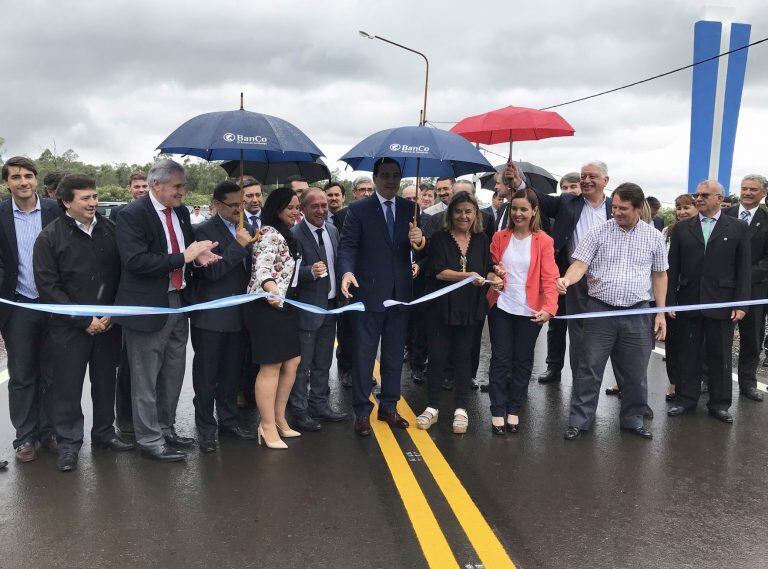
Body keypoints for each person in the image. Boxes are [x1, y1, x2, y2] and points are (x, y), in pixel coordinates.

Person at [115, 159, 219, 462]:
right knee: (145, 378)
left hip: (178, 302)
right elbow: (136, 261)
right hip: (148, 306)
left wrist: (199, 257)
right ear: (155, 185)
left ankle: (166, 427)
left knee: (173, 373)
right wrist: (183, 257)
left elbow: (186, 252)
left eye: (184, 185)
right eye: (177, 186)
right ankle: (149, 439)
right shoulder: (131, 215)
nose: (183, 191)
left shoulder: (182, 212)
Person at [33, 174, 133, 472]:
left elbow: (122, 276)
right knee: (67, 386)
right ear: (66, 202)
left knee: (104, 383)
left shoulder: (111, 230)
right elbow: (48, 286)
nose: (93, 202)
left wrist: (110, 314)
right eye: (85, 198)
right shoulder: (50, 237)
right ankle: (68, 443)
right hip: (68, 329)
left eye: (94, 196)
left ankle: (104, 434)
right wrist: (82, 320)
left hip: (107, 326)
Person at [558, 183, 667, 440]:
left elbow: (660, 275)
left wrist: (660, 313)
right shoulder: (597, 232)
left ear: (639, 208)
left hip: (637, 313)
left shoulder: (654, 237)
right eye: (615, 206)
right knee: (589, 369)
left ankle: (633, 419)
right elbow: (580, 265)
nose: (616, 212)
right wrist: (567, 279)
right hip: (600, 312)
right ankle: (579, 421)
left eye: (623, 209)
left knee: (635, 372)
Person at [338, 158, 425, 436]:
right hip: (368, 294)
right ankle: (362, 412)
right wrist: (346, 272)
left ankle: (389, 406)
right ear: (375, 178)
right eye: (385, 175)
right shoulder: (359, 210)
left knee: (392, 355)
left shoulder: (410, 209)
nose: (391, 180)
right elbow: (348, 246)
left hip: (399, 295)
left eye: (396, 175)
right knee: (364, 356)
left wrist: (418, 242)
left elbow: (417, 249)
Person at [667, 179, 751, 423]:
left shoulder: (737, 228)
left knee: (720, 355)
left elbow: (743, 270)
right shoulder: (682, 228)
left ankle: (720, 403)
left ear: (719, 198)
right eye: (697, 195)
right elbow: (673, 269)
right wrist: (671, 301)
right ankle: (686, 399)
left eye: (704, 195)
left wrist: (741, 304)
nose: (699, 199)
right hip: (689, 301)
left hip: (722, 303)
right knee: (688, 353)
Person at [416, 192, 499, 433]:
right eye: (458, 211)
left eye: (468, 211)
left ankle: (461, 408)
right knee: (438, 355)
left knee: (463, 357)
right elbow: (439, 271)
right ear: (450, 213)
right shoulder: (440, 238)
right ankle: (432, 406)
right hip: (441, 306)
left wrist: (495, 277)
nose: (463, 216)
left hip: (470, 307)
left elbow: (486, 270)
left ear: (475, 214)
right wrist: (468, 276)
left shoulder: (483, 239)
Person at [0, 156, 61, 463]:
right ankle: (25, 437)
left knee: (52, 372)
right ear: (7, 182)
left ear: (36, 179)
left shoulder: (54, 210)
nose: (22, 181)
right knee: (23, 375)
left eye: (27, 176)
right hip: (18, 306)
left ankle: (49, 432)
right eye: (15, 177)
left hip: (53, 305)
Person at [484, 189, 558, 434]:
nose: (518, 213)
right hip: (502, 307)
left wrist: (549, 308)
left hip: (530, 311)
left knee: (523, 362)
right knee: (501, 359)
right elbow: (490, 269)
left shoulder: (544, 241)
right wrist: (495, 275)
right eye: (514, 208)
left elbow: (550, 278)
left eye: (523, 209)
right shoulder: (499, 237)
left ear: (534, 211)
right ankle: (497, 410)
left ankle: (514, 409)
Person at [531, 161, 612, 385]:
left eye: (591, 176)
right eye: (583, 176)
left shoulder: (614, 208)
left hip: (606, 282)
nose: (586, 180)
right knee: (563, 326)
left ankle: (610, 384)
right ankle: (562, 373)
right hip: (569, 277)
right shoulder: (568, 202)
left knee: (602, 333)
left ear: (606, 181)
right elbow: (541, 199)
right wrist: (517, 180)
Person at [190, 181, 256, 453]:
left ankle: (228, 422)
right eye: (233, 205)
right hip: (211, 317)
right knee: (207, 377)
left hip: (240, 316)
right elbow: (212, 272)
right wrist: (238, 246)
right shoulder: (202, 232)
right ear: (216, 204)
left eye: (241, 204)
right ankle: (206, 428)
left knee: (231, 374)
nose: (239, 210)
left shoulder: (248, 230)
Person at [244, 187, 303, 449]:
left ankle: (279, 418)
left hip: (285, 305)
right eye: (290, 207)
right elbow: (262, 268)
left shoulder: (287, 233)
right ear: (277, 208)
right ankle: (266, 425)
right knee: (271, 366)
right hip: (266, 306)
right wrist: (272, 290)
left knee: (292, 361)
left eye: (297, 206)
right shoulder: (268, 233)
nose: (295, 211)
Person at [288, 188, 348, 431]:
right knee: (302, 366)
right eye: (316, 206)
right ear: (303, 208)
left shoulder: (333, 230)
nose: (322, 210)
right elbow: (287, 272)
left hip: (331, 308)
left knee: (323, 361)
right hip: (306, 310)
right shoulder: (294, 235)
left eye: (325, 205)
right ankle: (300, 411)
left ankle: (319, 405)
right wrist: (308, 272)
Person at [110, 170, 148, 435]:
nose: (141, 189)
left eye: (145, 185)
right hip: (128, 296)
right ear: (129, 189)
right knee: (126, 363)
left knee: (146, 366)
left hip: (151, 298)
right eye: (137, 186)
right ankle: (123, 418)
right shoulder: (120, 214)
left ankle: (145, 416)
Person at [725, 174, 768, 402]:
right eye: (744, 188)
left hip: (755, 290)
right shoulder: (725, 215)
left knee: (752, 339)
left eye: (753, 189)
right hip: (724, 289)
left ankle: (748, 384)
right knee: (718, 337)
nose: (747, 193)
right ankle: (709, 379)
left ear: (764, 193)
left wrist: (744, 277)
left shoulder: (766, 220)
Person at [333, 175, 373, 387]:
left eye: (370, 190)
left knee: (367, 330)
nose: (366, 193)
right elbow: (342, 249)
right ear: (355, 192)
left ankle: (364, 369)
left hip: (370, 280)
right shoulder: (341, 216)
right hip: (348, 278)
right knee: (347, 328)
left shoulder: (379, 215)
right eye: (362, 189)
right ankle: (346, 368)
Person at [662, 194, 697, 400]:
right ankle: (674, 382)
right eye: (679, 208)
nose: (682, 212)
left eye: (687, 207)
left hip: (694, 292)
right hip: (671, 291)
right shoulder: (667, 231)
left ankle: (695, 380)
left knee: (693, 341)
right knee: (673, 340)